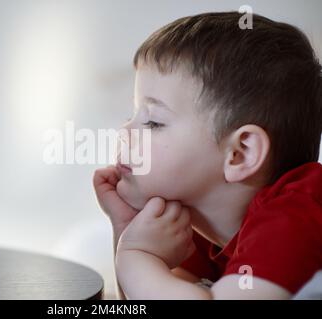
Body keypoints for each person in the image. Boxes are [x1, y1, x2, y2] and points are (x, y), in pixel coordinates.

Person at [93, 11, 322, 299]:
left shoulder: (297, 214)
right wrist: (128, 230)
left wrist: (136, 257)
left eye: (153, 122)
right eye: (132, 115)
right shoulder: (199, 226)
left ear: (240, 154)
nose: (124, 131)